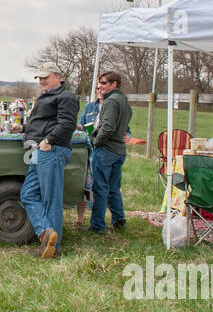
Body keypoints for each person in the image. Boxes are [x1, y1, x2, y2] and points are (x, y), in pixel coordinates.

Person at [19, 63, 78, 259]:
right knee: (27, 193)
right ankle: (47, 234)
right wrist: (21, 130)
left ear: (57, 76)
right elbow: (41, 122)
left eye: (46, 77)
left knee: (51, 198)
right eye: (40, 78)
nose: (42, 81)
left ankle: (53, 247)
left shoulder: (66, 96)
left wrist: (48, 140)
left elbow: (67, 124)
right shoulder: (46, 96)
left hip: (51, 150)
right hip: (38, 150)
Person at [89, 71, 132, 233]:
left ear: (114, 84)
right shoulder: (125, 102)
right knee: (114, 188)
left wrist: (96, 141)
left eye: (104, 83)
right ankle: (118, 219)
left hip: (107, 150)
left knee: (100, 188)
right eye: (100, 83)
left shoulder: (111, 101)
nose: (100, 86)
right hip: (119, 151)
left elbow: (107, 127)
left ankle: (97, 225)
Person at [75, 91, 102, 228]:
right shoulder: (89, 107)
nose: (100, 90)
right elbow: (81, 125)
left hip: (102, 151)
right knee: (84, 184)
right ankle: (80, 218)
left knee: (99, 187)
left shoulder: (111, 107)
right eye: (98, 88)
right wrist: (76, 126)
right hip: (88, 150)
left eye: (102, 86)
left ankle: (97, 220)